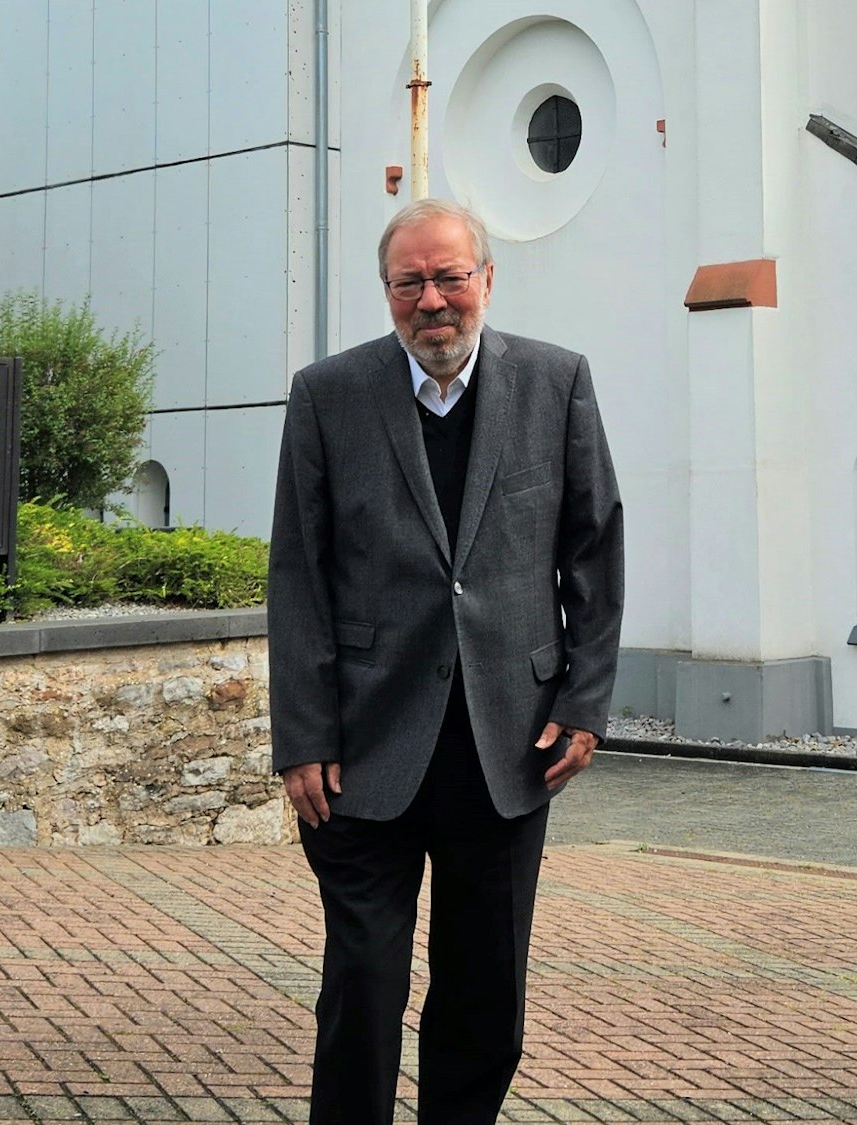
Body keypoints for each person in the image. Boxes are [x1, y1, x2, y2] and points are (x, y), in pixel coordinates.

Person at [267, 197, 624, 1125]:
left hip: (508, 746)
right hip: (363, 749)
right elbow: (298, 574)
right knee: (365, 987)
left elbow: (592, 550)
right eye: (410, 281)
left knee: (485, 995)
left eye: (450, 276)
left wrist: (584, 701)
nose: (433, 299)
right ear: (386, 291)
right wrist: (301, 737)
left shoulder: (558, 383)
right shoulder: (327, 395)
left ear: (486, 281)